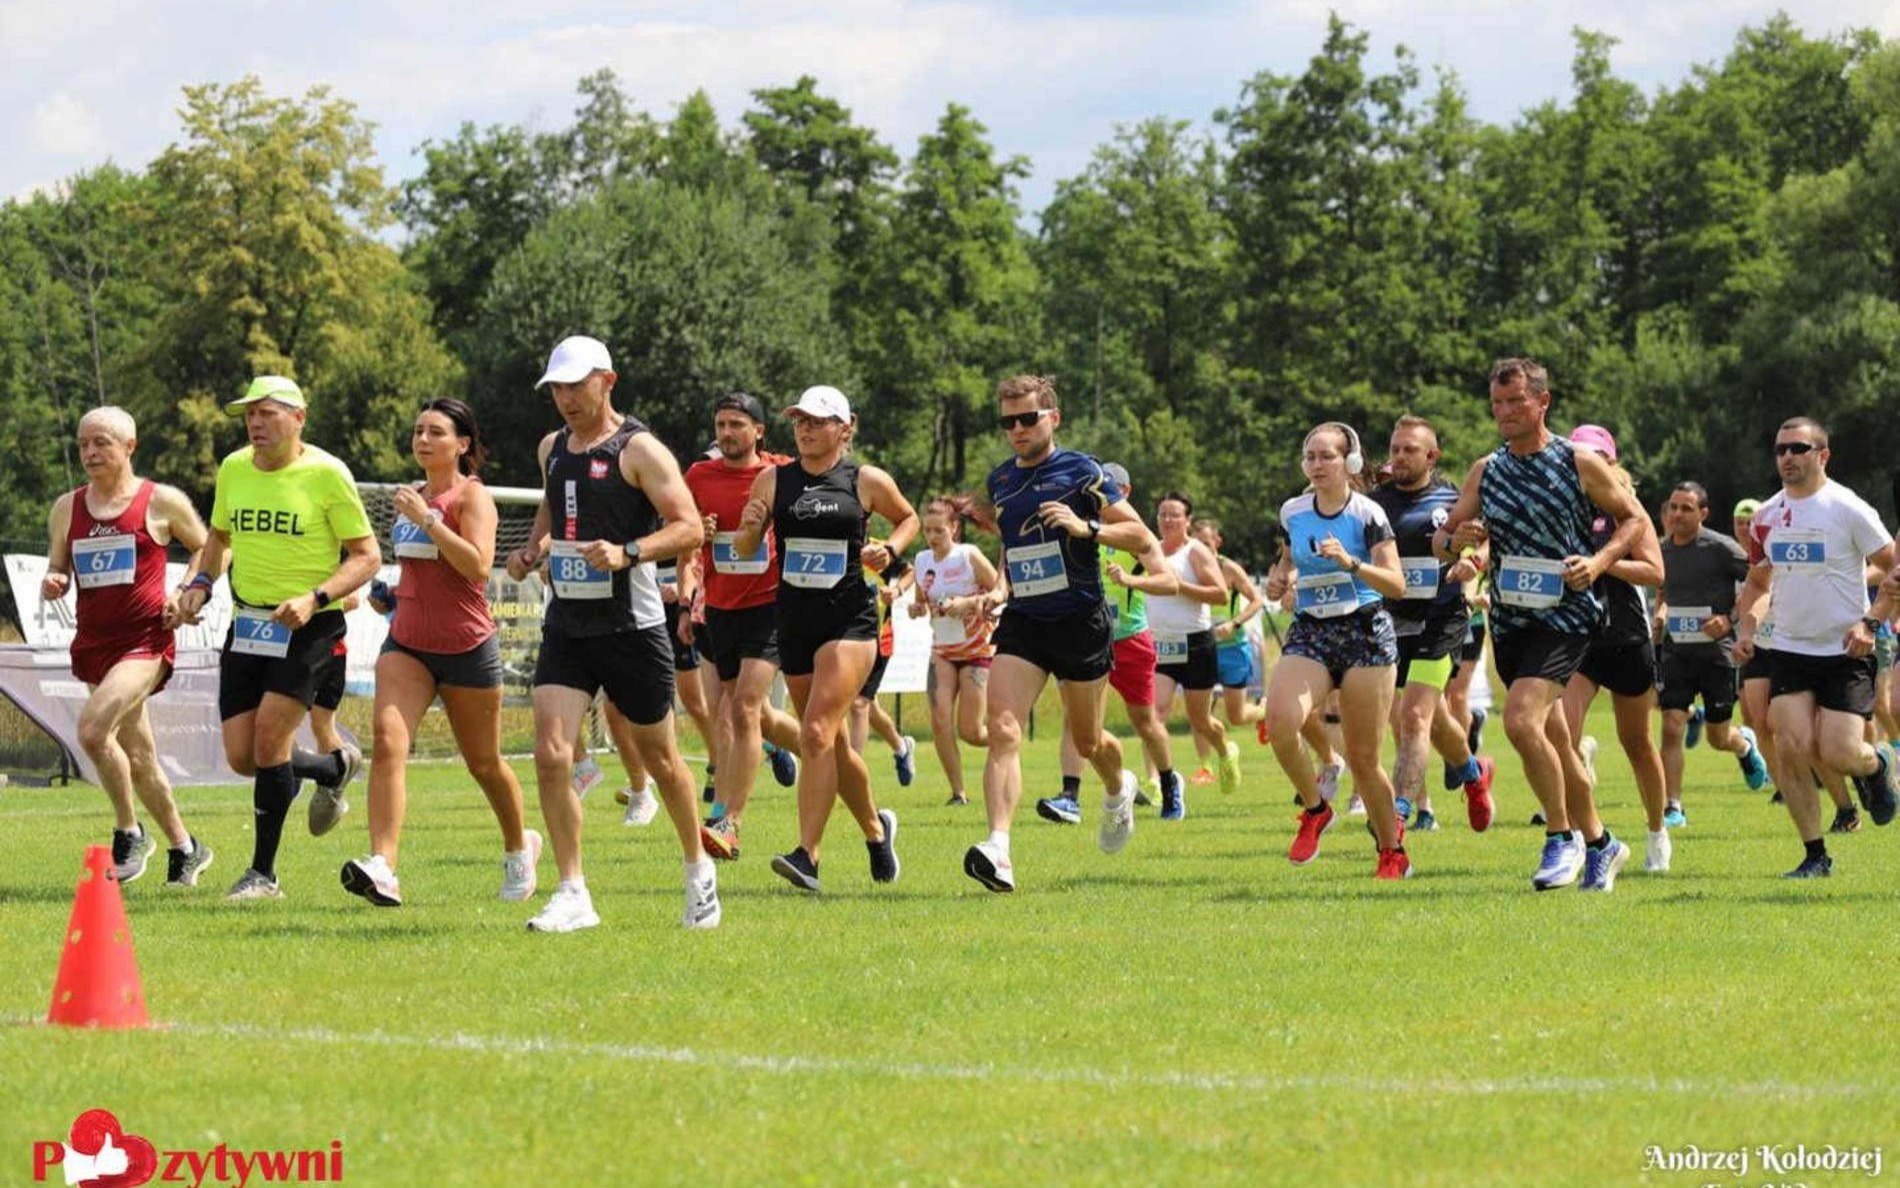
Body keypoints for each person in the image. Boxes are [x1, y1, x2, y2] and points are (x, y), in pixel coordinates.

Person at [502, 335, 717, 930]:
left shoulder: (641, 450)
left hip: (633, 626)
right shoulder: (551, 447)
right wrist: (531, 550)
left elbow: (690, 528)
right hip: (568, 623)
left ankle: (699, 869)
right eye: (557, 389)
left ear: (608, 381)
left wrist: (628, 552)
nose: (566, 399)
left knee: (664, 760)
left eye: (577, 386)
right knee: (550, 752)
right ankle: (573, 891)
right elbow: (553, 509)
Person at [1436, 358, 1653, 892]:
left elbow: (1634, 520)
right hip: (1512, 617)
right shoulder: (1487, 470)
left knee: (1518, 721)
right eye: (1498, 404)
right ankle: (1603, 844)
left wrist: (1599, 563)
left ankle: (1561, 838)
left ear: (1542, 402)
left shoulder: (1577, 462)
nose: (1505, 413)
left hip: (1569, 616)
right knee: (1554, 738)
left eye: (1516, 402)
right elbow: (1445, 539)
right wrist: (1457, 539)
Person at [173, 377, 378, 900]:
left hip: (309, 626)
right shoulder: (234, 468)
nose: (256, 424)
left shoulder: (328, 474)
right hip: (248, 624)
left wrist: (315, 597)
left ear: (299, 418)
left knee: (269, 741)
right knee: (245, 757)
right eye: (250, 416)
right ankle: (334, 766)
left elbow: (366, 556)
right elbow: (218, 538)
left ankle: (263, 874)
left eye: (267, 414)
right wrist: (200, 583)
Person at [963, 376, 1167, 893]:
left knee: (1088, 739)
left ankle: (1119, 790)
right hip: (1027, 621)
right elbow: (1015, 546)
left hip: (1080, 620)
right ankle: (999, 848)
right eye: (1007, 421)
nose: (1017, 429)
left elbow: (1142, 536)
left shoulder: (1083, 471)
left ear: (1053, 417)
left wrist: (1087, 527)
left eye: (1027, 418)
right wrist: (1001, 587)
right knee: (1004, 728)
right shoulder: (1002, 480)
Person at [340, 399, 539, 907]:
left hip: (466, 647)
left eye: (436, 432)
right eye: (417, 431)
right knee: (387, 743)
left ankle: (521, 847)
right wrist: (392, 593)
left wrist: (429, 519)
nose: (423, 440)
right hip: (406, 643)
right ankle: (383, 866)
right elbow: (420, 568)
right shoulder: (414, 496)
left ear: (463, 444)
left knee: (484, 763)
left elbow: (477, 566)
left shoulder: (471, 498)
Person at [732, 385, 917, 893]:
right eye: (799, 420)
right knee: (830, 745)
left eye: (817, 420)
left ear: (844, 427)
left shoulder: (865, 480)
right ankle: (877, 832)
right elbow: (748, 547)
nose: (805, 428)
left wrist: (890, 548)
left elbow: (909, 518)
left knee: (813, 732)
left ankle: (807, 856)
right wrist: (748, 529)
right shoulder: (773, 479)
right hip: (794, 619)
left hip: (850, 621)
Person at [44, 407, 215, 887]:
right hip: (95, 642)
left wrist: (185, 591)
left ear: (129, 447)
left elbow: (209, 547)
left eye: (102, 443)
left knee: (95, 731)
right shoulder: (66, 507)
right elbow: (59, 565)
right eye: (83, 444)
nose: (91, 453)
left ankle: (129, 830)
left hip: (145, 641)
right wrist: (55, 579)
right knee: (139, 758)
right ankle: (186, 847)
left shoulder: (160, 501)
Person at [1734, 416, 1900, 878]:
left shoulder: (1847, 508)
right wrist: (1747, 630)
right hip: (1789, 648)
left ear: (1822, 455)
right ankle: (1815, 855)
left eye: (1798, 448)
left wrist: (1872, 622)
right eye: (1781, 449)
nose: (1787, 457)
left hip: (1846, 650)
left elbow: (1892, 569)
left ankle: (1878, 763)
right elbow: (1758, 582)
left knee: (1839, 753)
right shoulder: (1766, 515)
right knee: (1790, 745)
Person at [1262, 423, 1411, 879]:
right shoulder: (1293, 510)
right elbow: (1288, 558)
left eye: (1326, 456)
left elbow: (1397, 585)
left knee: (1365, 760)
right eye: (1310, 457)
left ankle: (1391, 851)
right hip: (1312, 630)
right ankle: (1314, 809)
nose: (1316, 465)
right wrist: (1279, 577)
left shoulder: (1367, 515)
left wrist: (1352, 563)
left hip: (1365, 632)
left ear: (1349, 463)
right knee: (1280, 721)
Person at [681, 392, 801, 861]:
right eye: (721, 424)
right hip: (720, 607)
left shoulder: (781, 474)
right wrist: (698, 536)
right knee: (742, 716)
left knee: (746, 708)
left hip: (771, 605)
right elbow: (683, 531)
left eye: (736, 424)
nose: (727, 433)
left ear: (758, 431)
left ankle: (729, 822)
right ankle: (821, 751)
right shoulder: (699, 476)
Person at [1367, 415, 1496, 835]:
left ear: (1432, 456)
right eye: (1395, 449)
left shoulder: (1451, 500)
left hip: (1441, 619)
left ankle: (1400, 813)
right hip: (1388, 621)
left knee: (1414, 717)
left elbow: (1483, 539)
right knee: (1435, 719)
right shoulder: (1373, 504)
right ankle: (1474, 776)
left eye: (1410, 450)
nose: (1400, 457)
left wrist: (1469, 561)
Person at [1551, 426, 1670, 872]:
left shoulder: (1626, 510)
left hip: (1624, 636)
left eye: (1596, 456)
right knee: (1560, 734)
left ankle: (1657, 830)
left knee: (1636, 742)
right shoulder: (1562, 506)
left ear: (1611, 462)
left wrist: (1601, 563)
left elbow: (1655, 572)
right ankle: (1585, 837)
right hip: (1577, 636)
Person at [1042, 461, 1180, 823]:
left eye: (1106, 491)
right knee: (1077, 716)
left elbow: (1170, 583)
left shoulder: (1136, 537)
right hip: (1088, 637)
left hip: (1130, 640)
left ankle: (1168, 782)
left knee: (1145, 722)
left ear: (1125, 494)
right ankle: (1069, 795)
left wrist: (1132, 582)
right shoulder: (1077, 530)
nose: (1096, 499)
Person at [1653, 480, 1769, 848]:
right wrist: (1661, 615)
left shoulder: (1722, 549)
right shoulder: (1660, 551)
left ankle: (1744, 746)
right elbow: (1663, 591)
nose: (1677, 515)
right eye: (1673, 507)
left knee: (1718, 737)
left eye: (1686, 508)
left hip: (1717, 655)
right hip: (1676, 653)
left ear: (1703, 513)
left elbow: (1758, 582)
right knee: (1671, 725)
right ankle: (1674, 806)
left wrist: (1730, 620)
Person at [1145, 491, 1236, 812]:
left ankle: (1225, 752)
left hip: (1196, 643)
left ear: (1187, 521)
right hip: (1159, 644)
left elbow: (1220, 595)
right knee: (1153, 715)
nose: (1167, 520)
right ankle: (1156, 783)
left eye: (1174, 515)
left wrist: (1178, 585)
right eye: (1162, 514)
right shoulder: (1149, 550)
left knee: (1200, 720)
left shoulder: (1195, 552)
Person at [909, 496, 998, 807]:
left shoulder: (968, 556)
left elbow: (999, 593)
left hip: (977, 651)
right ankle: (958, 793)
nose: (932, 538)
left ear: (954, 529)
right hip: (943, 651)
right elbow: (924, 600)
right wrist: (917, 607)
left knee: (972, 732)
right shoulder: (922, 561)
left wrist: (969, 604)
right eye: (927, 531)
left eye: (939, 531)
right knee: (939, 721)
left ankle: (1004, 740)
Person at [1190, 518, 1267, 740]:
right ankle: (1205, 768)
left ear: (1217, 541)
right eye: (1196, 544)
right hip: (1201, 648)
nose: (1201, 549)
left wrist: (1234, 624)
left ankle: (1264, 711)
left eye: (1206, 543)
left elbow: (1257, 600)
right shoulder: (1186, 570)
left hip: (1233, 648)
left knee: (1237, 716)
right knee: (1199, 715)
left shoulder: (1229, 569)